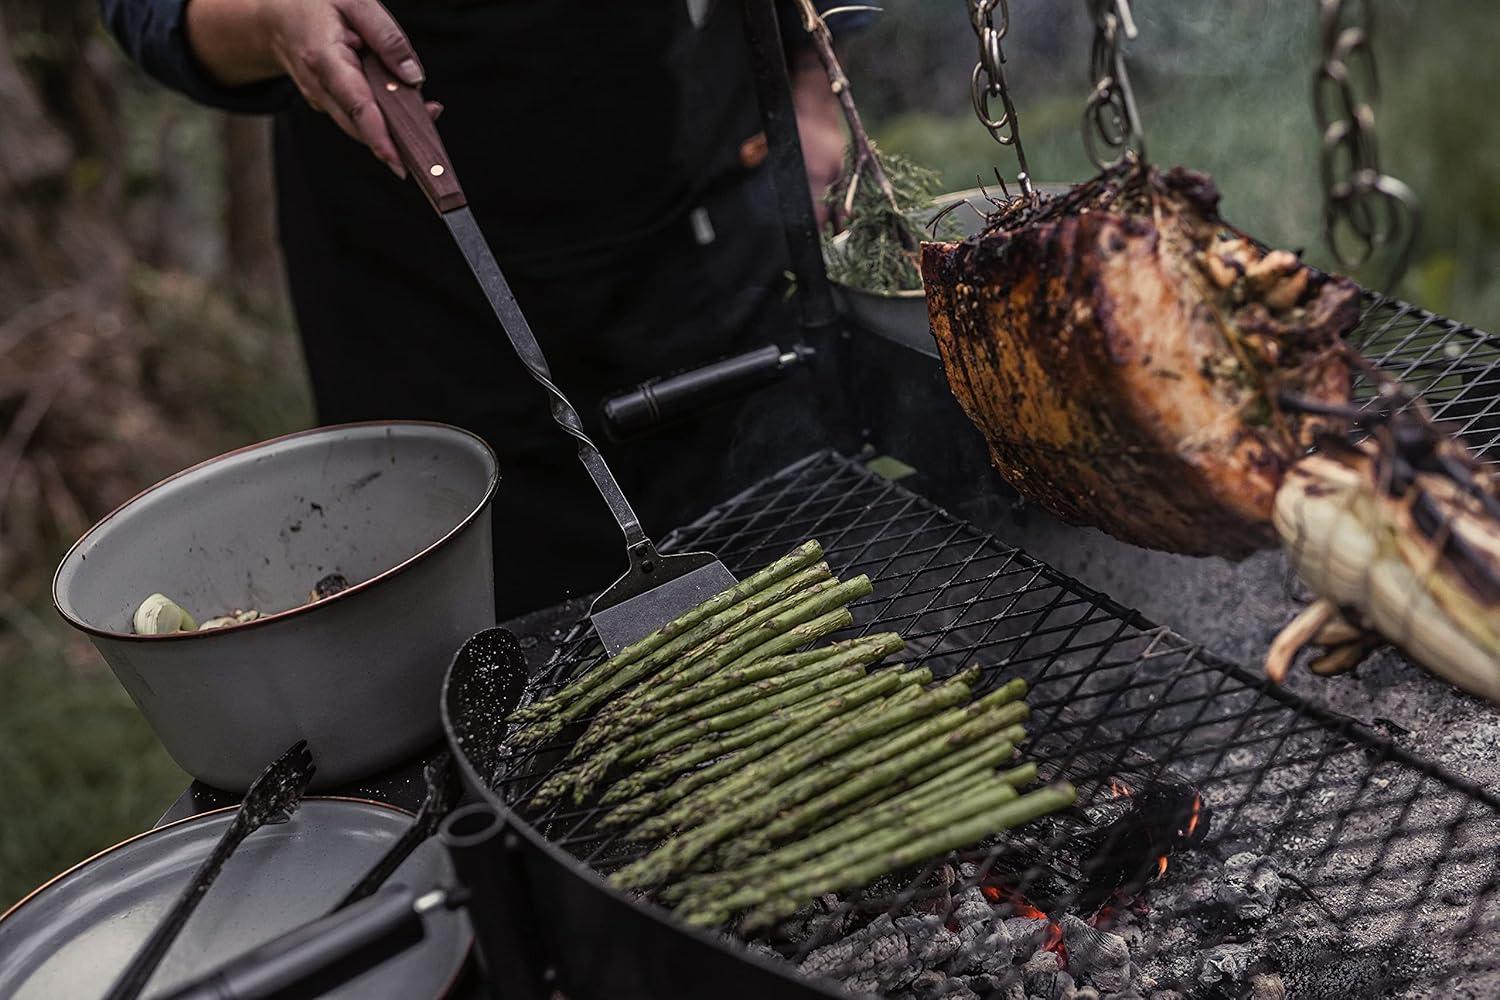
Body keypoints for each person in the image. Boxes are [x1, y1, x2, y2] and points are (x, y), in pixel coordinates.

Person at [98, 0, 859, 617]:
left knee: (825, 591)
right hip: (434, 301)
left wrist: (815, 85)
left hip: (718, 235)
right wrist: (271, 19)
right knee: (524, 693)